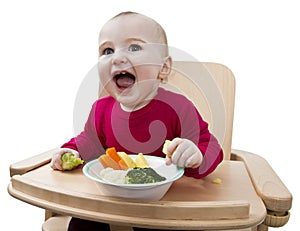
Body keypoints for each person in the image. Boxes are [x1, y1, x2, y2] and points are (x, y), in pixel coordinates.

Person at [50, 11, 223, 231]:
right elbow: (87, 142)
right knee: (80, 224)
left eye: (134, 48)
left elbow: (212, 148)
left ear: (164, 68)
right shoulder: (100, 109)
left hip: (160, 206)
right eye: (108, 50)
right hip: (110, 199)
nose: (118, 57)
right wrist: (71, 152)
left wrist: (196, 155)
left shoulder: (179, 107)